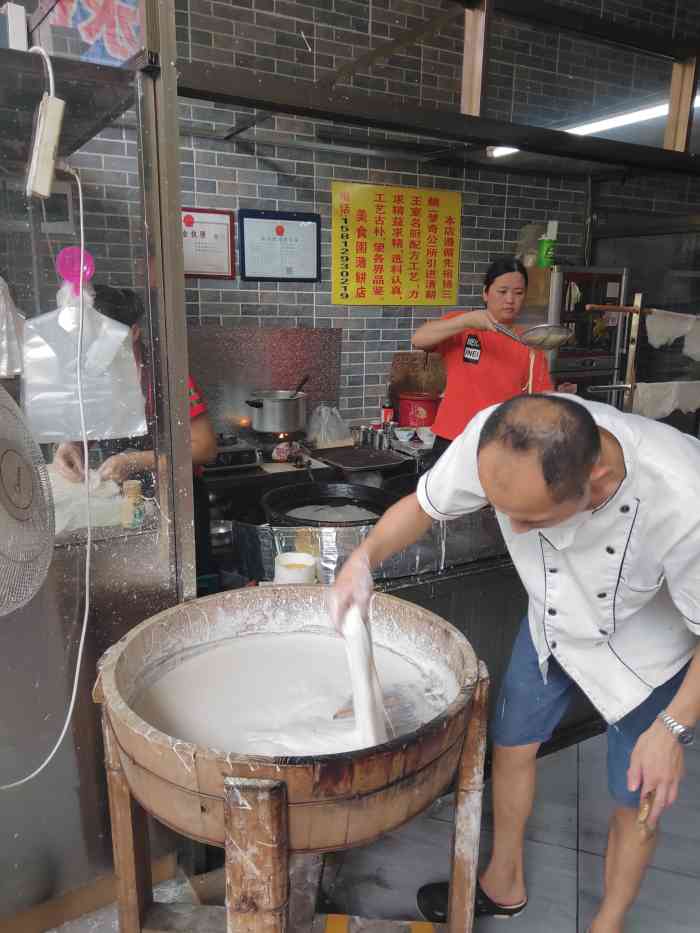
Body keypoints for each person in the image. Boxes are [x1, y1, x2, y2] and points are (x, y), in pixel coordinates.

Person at [331, 394, 700, 933]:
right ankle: (504, 881)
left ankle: (609, 923)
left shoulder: (684, 499)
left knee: (637, 794)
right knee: (512, 745)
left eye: (528, 518)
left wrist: (672, 728)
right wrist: (362, 560)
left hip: (646, 653)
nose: (514, 530)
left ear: (594, 480)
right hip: (550, 621)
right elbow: (423, 506)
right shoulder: (499, 437)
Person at [53, 286, 217, 572]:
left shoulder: (167, 377)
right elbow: (84, 429)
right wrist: (71, 447)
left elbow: (205, 447)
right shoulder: (96, 376)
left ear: (133, 333)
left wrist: (135, 461)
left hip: (176, 504)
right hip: (121, 507)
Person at [412, 256, 574, 456]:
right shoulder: (463, 327)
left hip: (502, 445)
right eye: (502, 291)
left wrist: (562, 397)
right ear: (485, 293)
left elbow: (540, 397)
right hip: (453, 440)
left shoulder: (530, 342)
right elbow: (419, 339)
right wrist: (466, 321)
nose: (510, 300)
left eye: (518, 293)